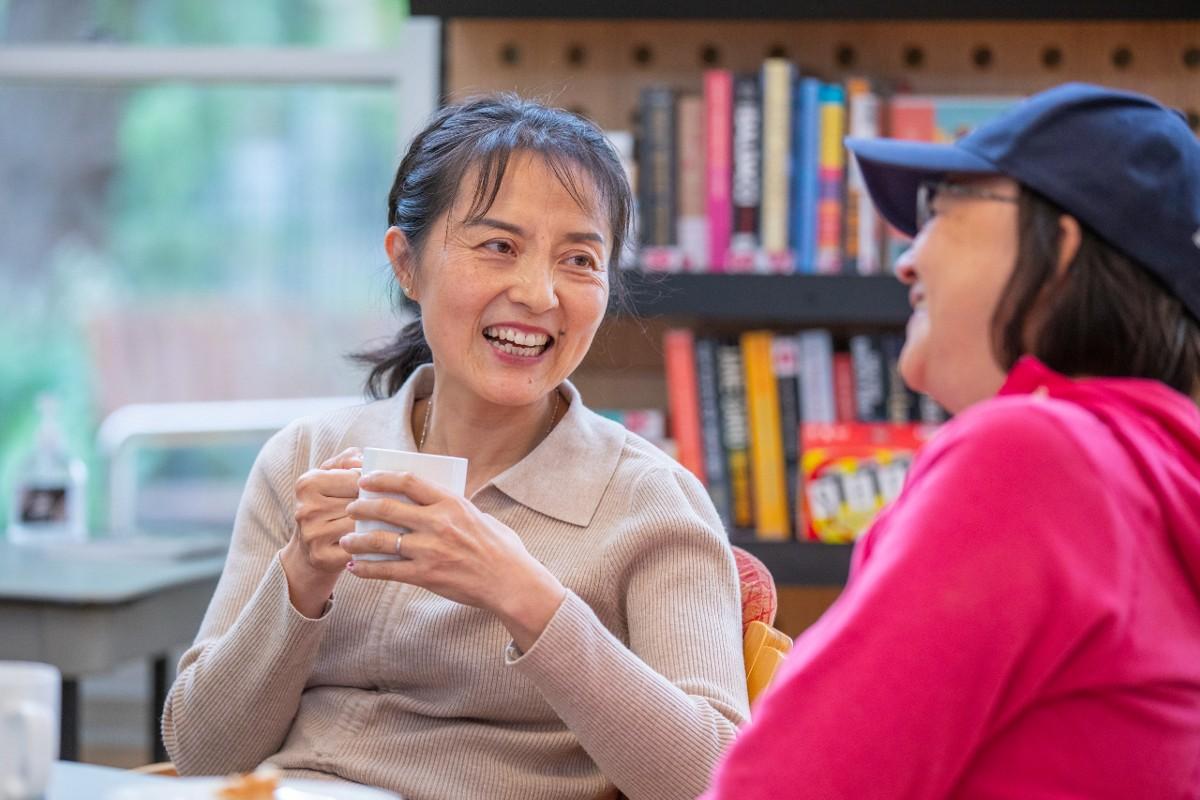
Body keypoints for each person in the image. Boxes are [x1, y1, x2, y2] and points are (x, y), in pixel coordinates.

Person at [162, 95, 748, 800]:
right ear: (406, 264)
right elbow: (201, 756)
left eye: (579, 259)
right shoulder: (307, 460)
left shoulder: (650, 502)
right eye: (499, 246)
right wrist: (301, 578)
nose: (538, 294)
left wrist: (524, 594)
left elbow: (719, 781)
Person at [705, 82, 1200, 798]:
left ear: (1061, 249)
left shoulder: (1033, 459)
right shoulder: (1157, 479)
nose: (906, 260)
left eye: (940, 210)